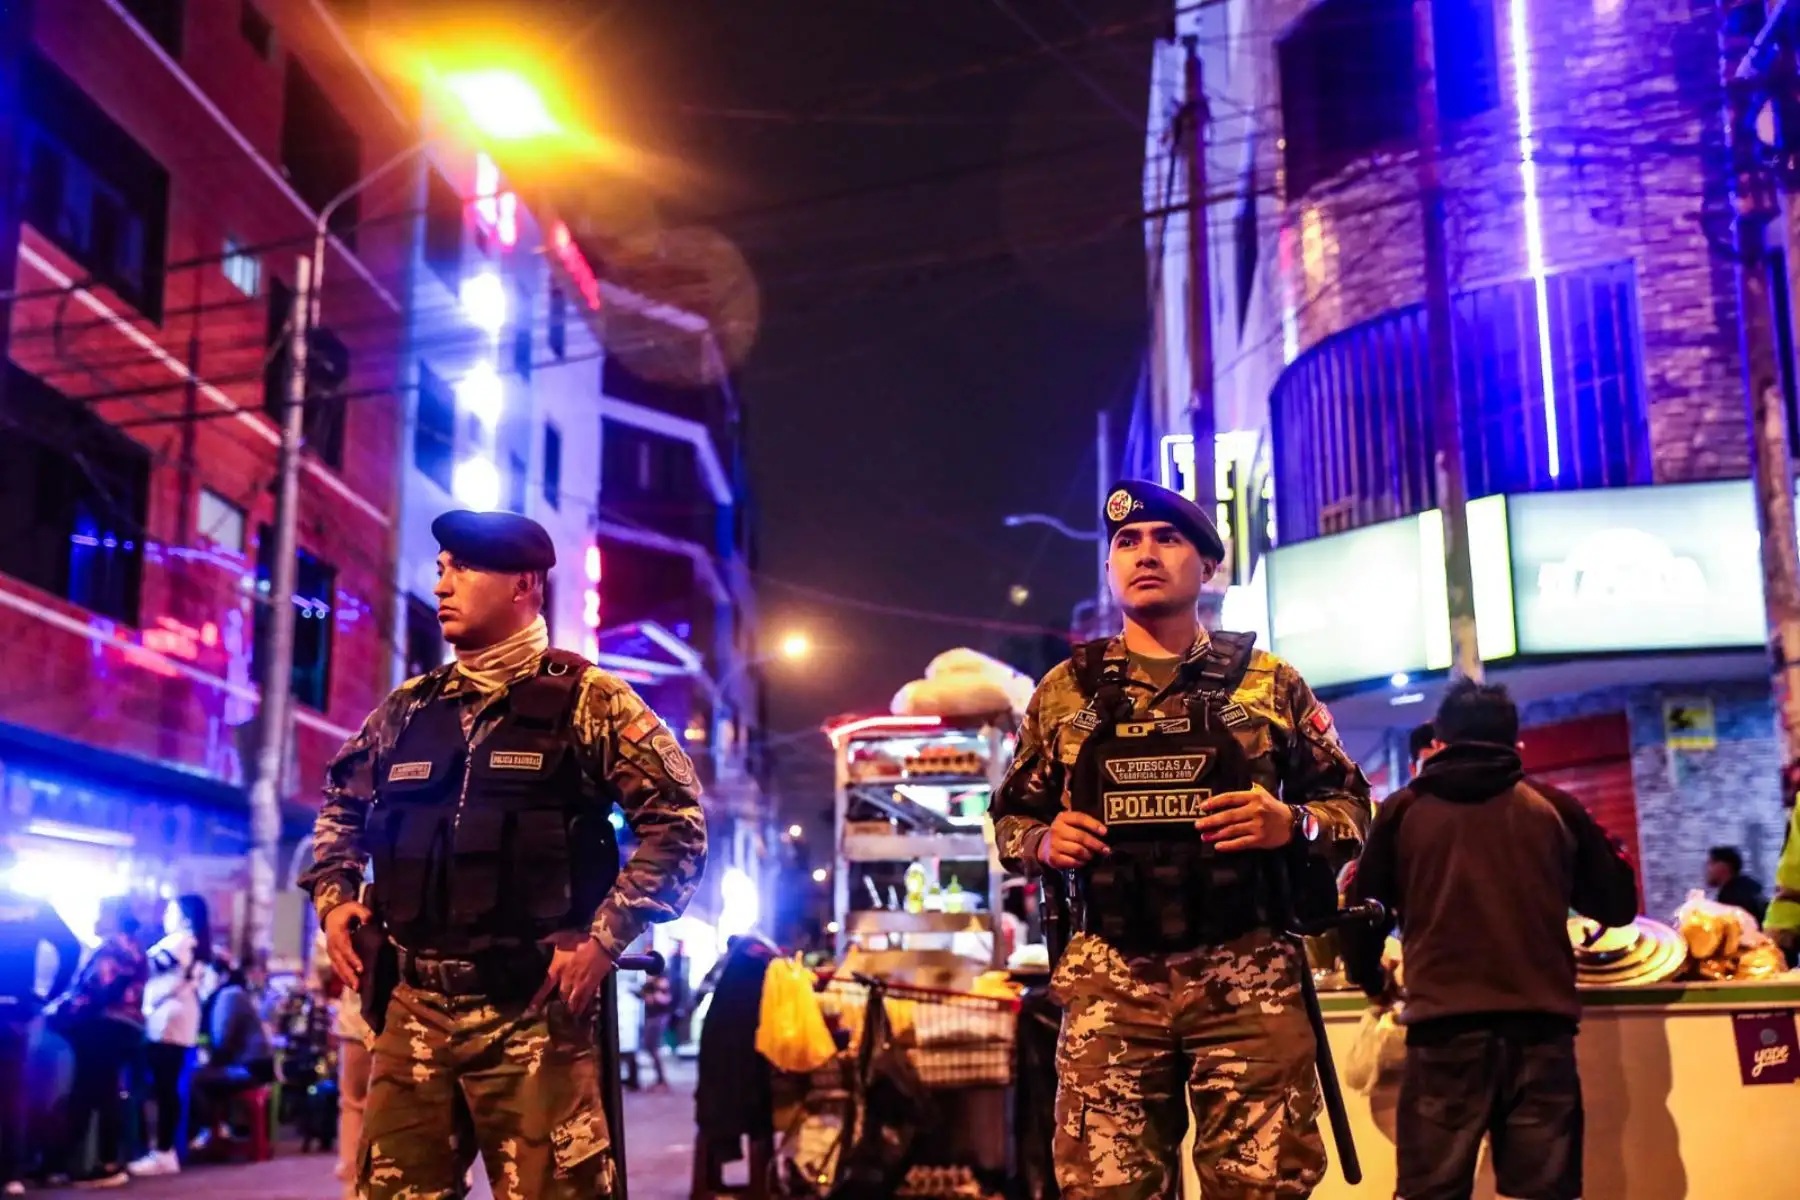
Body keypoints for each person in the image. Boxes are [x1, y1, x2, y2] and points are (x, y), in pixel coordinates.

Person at [299, 509, 709, 1200]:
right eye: (439, 569)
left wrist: (605, 940)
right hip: (414, 1011)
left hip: (533, 1017)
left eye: (463, 568)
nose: (442, 585)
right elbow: (341, 798)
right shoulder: (409, 708)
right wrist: (335, 895)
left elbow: (678, 824)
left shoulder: (590, 701)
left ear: (523, 585)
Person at [990, 479, 1373, 1198]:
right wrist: (1044, 842)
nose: (1146, 553)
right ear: (1109, 569)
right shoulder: (1063, 693)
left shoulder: (1269, 684)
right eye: (1127, 543)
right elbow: (1010, 817)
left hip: (1247, 977)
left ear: (1207, 566)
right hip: (1111, 982)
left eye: (1168, 539)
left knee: (1261, 1188)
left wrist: (1292, 824)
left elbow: (1351, 806)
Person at [1343, 678, 1640, 1200]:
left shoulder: (1404, 811)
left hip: (1443, 1035)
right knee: (1542, 1192)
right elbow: (1618, 906)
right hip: (1540, 1032)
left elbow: (1363, 913)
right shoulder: (1553, 808)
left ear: (1440, 739)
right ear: (1514, 742)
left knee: (1430, 1192)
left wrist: (1370, 978)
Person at [43, 897, 149, 1188]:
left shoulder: (114, 947)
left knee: (93, 1094)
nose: (95, 917)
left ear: (114, 916)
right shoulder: (133, 946)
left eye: (100, 911)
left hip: (103, 1027)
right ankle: (88, 1162)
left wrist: (53, 1012)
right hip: (121, 1028)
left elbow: (93, 992)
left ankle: (100, 1164)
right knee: (99, 1093)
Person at [0, 845, 80, 1197]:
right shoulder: (31, 904)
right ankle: (9, 1173)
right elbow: (71, 948)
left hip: (15, 1009)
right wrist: (47, 995)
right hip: (16, 1008)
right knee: (11, 1093)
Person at [130, 894, 212, 1177]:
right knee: (168, 1088)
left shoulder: (179, 941)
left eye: (171, 911)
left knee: (164, 1089)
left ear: (185, 917)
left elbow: (145, 966)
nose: (165, 917)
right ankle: (166, 1149)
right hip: (179, 1021)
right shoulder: (193, 943)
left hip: (168, 1022)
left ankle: (164, 1151)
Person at [188, 958, 275, 1153]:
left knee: (193, 1079)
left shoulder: (229, 996)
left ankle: (209, 1130)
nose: (201, 982)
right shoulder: (233, 994)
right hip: (255, 1066)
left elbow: (222, 1040)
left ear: (221, 976)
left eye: (204, 976)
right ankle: (218, 1128)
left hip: (251, 1069)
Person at [1704, 846, 1769, 920]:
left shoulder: (1731, 899)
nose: (1707, 869)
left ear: (1722, 866)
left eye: (1711, 864)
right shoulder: (1749, 889)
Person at [636, 973, 674, 1090]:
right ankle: (660, 1079)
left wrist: (655, 996)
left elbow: (666, 999)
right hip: (652, 1018)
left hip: (657, 1018)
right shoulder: (649, 985)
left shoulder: (660, 981)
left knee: (653, 1048)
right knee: (650, 1047)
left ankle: (661, 1080)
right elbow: (642, 994)